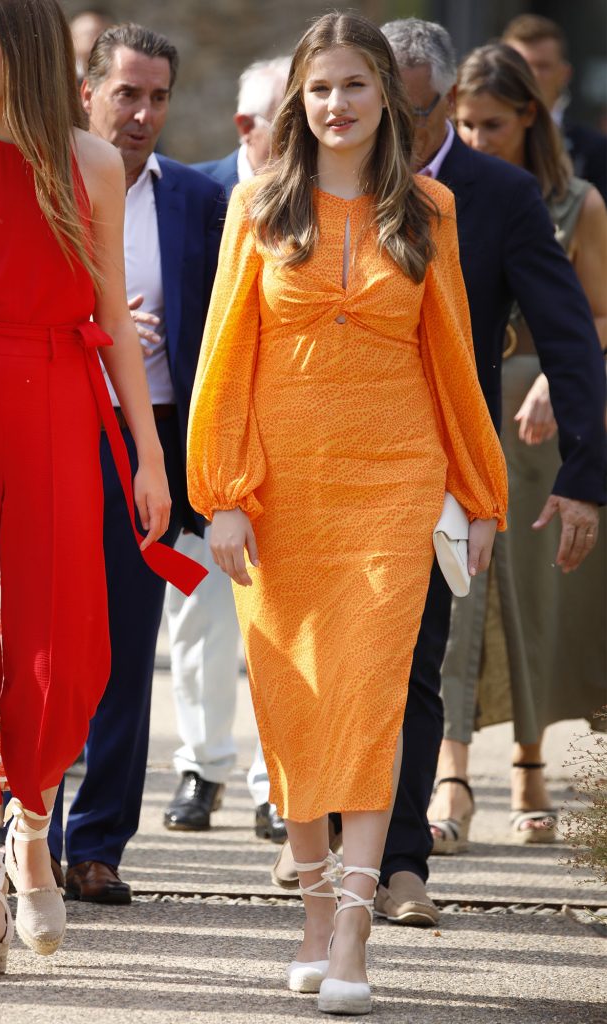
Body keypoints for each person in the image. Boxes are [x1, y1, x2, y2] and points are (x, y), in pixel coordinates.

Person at [186, 11, 507, 1015]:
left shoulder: (430, 208)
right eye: (317, 87)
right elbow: (222, 363)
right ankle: (314, 909)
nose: (335, 104)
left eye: (353, 85)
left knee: (369, 699)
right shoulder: (254, 209)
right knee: (291, 702)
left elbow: (453, 359)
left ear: (388, 95)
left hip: (392, 483)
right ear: (296, 101)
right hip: (281, 495)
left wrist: (478, 490)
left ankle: (356, 926)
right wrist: (223, 496)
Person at [371, 17, 605, 931]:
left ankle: (398, 862)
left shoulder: (502, 197)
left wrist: (584, 473)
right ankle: (313, 833)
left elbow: (574, 335)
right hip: (326, 466)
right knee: (329, 656)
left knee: (420, 664)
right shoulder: (313, 183)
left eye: (419, 117)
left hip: (440, 465)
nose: (407, 136)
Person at [0, 0, 204, 971]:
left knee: (60, 643)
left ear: (23, 51)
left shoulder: (94, 162)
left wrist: (152, 457)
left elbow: (114, 312)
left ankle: (32, 823)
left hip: (52, 407)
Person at [46, 23, 223, 906]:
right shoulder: (44, 178)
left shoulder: (198, 198)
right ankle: (29, 837)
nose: (144, 112)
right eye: (127, 93)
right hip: (53, 422)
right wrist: (103, 329)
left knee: (124, 644)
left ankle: (98, 846)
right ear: (86, 91)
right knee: (43, 641)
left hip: (148, 441)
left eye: (157, 96)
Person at [429, 42, 607, 853]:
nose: (474, 138)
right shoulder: (439, 192)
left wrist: (548, 381)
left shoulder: (578, 202)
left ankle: (531, 768)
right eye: (462, 123)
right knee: (459, 591)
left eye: (491, 123)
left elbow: (596, 316)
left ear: (529, 116)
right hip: (462, 404)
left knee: (530, 597)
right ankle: (452, 772)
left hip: (538, 415)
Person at [163, 56, 290, 844]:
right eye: (291, 111)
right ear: (249, 125)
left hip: (290, 437)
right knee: (201, 611)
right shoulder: (194, 193)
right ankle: (201, 767)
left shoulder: (325, 195)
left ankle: (275, 781)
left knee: (276, 619)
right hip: (206, 434)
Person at [502, 14, 607, 202]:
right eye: (520, 65)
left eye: (542, 66)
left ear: (564, 74)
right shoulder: (475, 140)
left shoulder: (595, 151)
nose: (530, 75)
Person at [69, 6, 115, 84]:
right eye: (89, 34)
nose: (97, 39)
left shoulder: (119, 73)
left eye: (103, 33)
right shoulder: (63, 77)